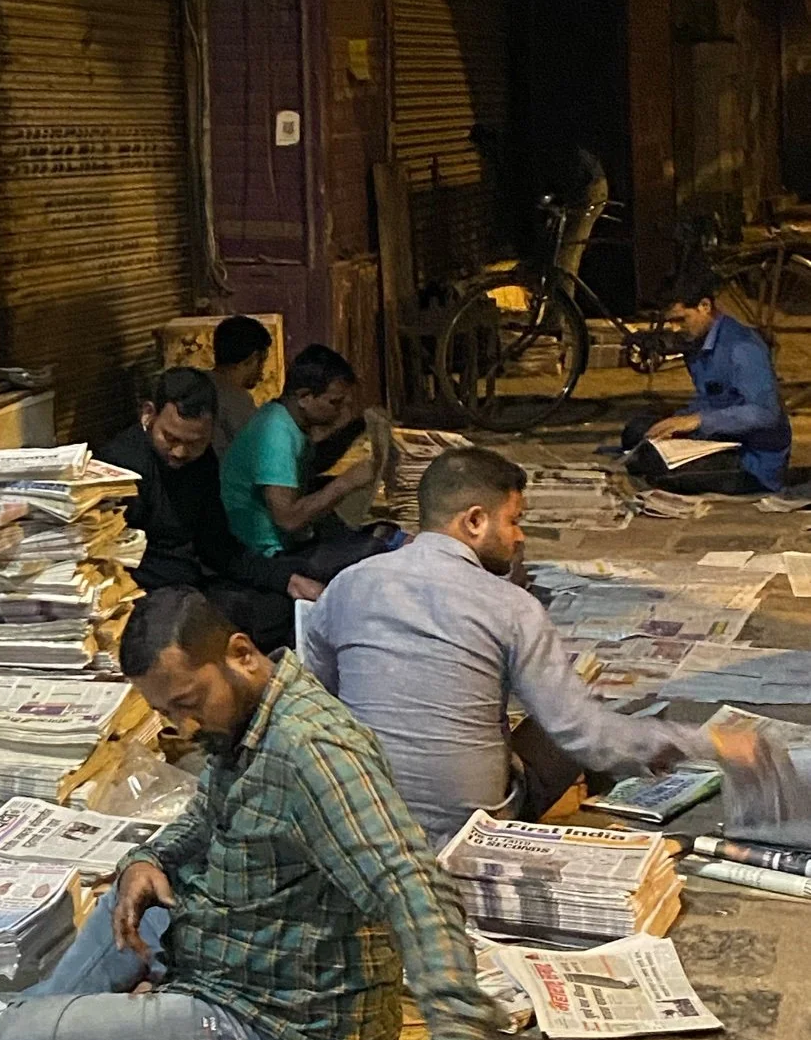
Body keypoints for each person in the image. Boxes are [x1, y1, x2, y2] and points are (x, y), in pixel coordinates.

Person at [0, 589, 490, 1040]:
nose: (182, 726)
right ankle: (33, 1027)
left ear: (240, 654)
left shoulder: (311, 750)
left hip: (276, 1030)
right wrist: (148, 860)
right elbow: (203, 820)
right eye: (165, 714)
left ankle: (13, 1039)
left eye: (189, 702)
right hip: (226, 964)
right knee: (131, 899)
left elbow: (412, 887)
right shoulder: (243, 723)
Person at [301, 446, 712, 846]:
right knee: (577, 723)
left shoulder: (350, 582)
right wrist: (707, 745)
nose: (519, 537)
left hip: (365, 816)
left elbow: (319, 687)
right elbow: (586, 736)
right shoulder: (512, 607)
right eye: (514, 521)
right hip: (471, 830)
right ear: (475, 521)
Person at [98, 367, 321, 652]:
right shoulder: (121, 466)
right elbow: (112, 563)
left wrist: (286, 579)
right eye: (171, 438)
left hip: (189, 585)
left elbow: (216, 545)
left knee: (280, 604)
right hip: (144, 596)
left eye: (194, 443)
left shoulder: (201, 462)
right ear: (148, 414)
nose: (180, 452)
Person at [219, 343, 392, 581]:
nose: (341, 412)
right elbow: (288, 519)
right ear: (304, 397)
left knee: (381, 530)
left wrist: (357, 428)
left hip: (286, 541)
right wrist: (346, 483)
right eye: (334, 403)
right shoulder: (275, 434)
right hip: (266, 556)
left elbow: (311, 464)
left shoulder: (285, 418)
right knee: (383, 549)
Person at [621, 263, 791, 495]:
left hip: (751, 459)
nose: (676, 328)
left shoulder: (742, 346)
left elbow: (765, 413)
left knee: (659, 469)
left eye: (682, 320)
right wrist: (678, 420)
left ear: (704, 306)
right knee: (637, 431)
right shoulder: (697, 341)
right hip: (719, 438)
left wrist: (697, 421)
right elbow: (710, 398)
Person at [210, 316, 274, 457]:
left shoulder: (197, 382)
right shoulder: (238, 400)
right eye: (262, 361)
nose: (262, 371)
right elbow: (257, 453)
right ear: (253, 358)